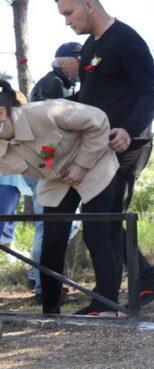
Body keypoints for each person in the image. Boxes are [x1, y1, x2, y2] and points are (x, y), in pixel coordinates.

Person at [54, 0, 154, 312]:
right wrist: (53, 110)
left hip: (127, 145)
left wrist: (129, 131)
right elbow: (90, 98)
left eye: (69, 12)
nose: (66, 20)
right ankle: (143, 281)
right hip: (98, 146)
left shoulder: (127, 40)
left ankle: (106, 301)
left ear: (89, 4)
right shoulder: (90, 47)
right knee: (103, 222)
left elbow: (153, 92)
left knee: (100, 223)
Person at [0, 81, 121, 315]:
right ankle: (50, 310)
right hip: (57, 180)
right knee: (52, 239)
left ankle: (108, 306)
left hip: (94, 164)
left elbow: (98, 121)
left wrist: (81, 165)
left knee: (96, 234)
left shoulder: (45, 111)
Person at [26, 42, 84, 300]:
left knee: (60, 223)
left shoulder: (62, 83)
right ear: (63, 61)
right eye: (78, 58)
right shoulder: (53, 84)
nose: (82, 63)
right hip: (41, 160)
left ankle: (37, 277)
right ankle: (42, 287)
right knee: (48, 225)